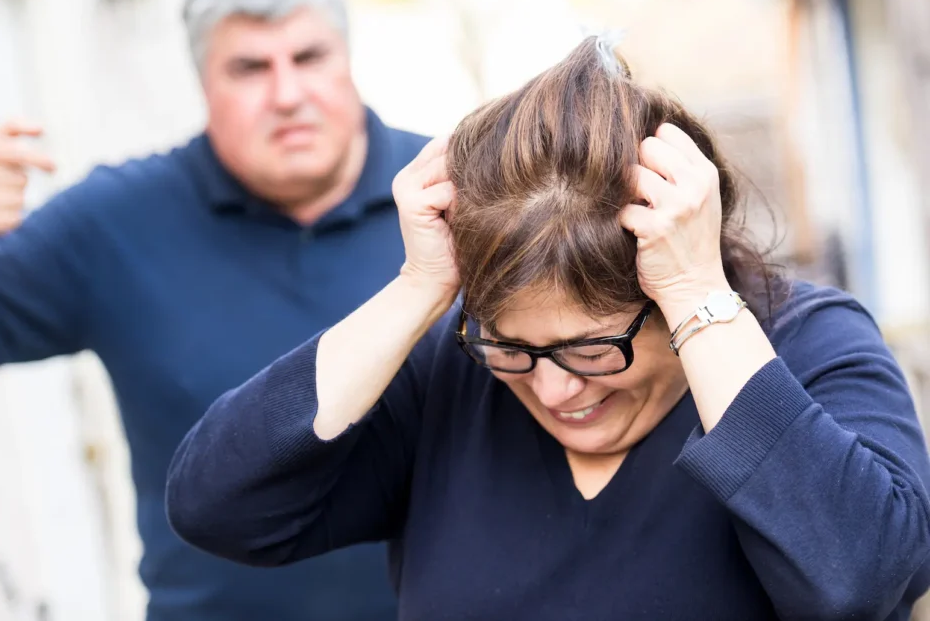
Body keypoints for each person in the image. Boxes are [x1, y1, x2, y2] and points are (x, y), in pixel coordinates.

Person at [165, 36, 930, 620]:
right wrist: (419, 287)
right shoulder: (454, 375)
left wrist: (699, 291)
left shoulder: (807, 346)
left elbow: (863, 578)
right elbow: (220, 505)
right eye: (513, 346)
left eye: (593, 346)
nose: (556, 385)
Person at [0, 0, 423, 621]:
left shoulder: (452, 199)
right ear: (203, 83)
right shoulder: (115, 220)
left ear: (347, 59)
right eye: (249, 67)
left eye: (309, 57)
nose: (288, 93)